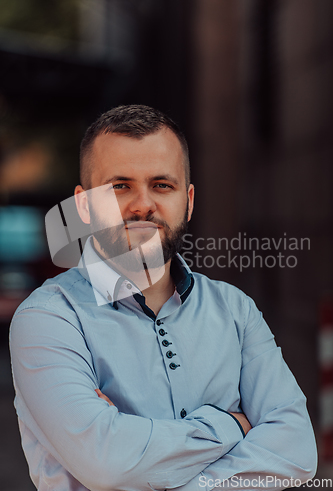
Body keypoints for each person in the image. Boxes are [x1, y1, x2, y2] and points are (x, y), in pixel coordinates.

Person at [10, 105, 317, 491]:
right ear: (84, 206)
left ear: (187, 201)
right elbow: (108, 465)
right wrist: (232, 425)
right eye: (120, 186)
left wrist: (144, 453)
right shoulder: (49, 319)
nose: (143, 204)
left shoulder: (235, 309)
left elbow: (297, 451)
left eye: (162, 185)